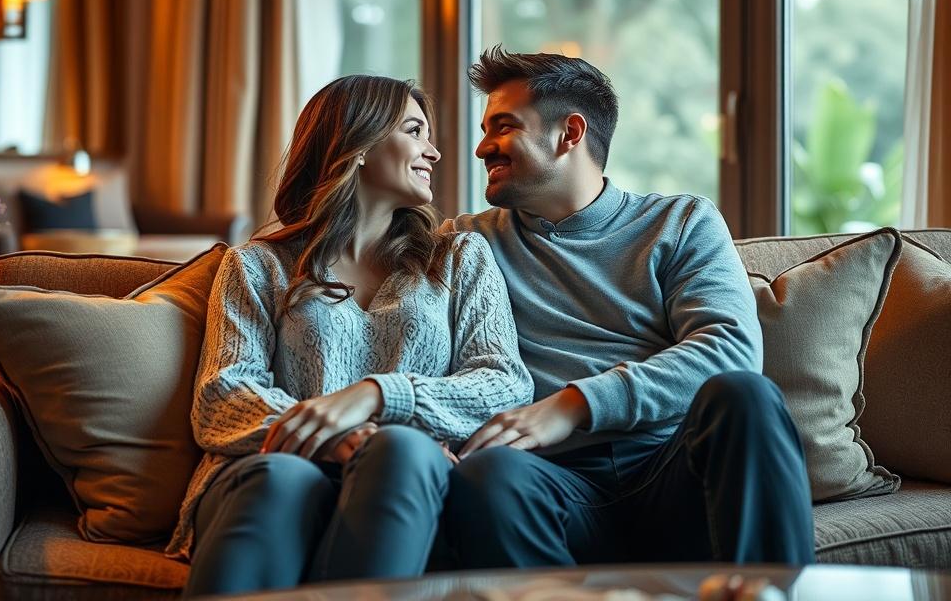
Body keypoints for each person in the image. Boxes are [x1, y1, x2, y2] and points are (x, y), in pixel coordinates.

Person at [442, 46, 815, 567]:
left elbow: (730, 350)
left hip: (672, 474)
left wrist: (574, 406)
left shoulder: (681, 222)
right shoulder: (465, 242)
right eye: (485, 130)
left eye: (503, 127)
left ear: (569, 133)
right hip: (551, 486)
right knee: (488, 473)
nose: (483, 148)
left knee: (744, 395)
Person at [167, 75, 533, 595]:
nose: (434, 152)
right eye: (415, 131)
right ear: (358, 145)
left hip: (406, 480)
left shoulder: (459, 258)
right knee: (282, 479)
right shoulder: (258, 266)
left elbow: (503, 382)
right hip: (273, 468)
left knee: (402, 451)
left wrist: (381, 396)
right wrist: (332, 436)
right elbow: (222, 396)